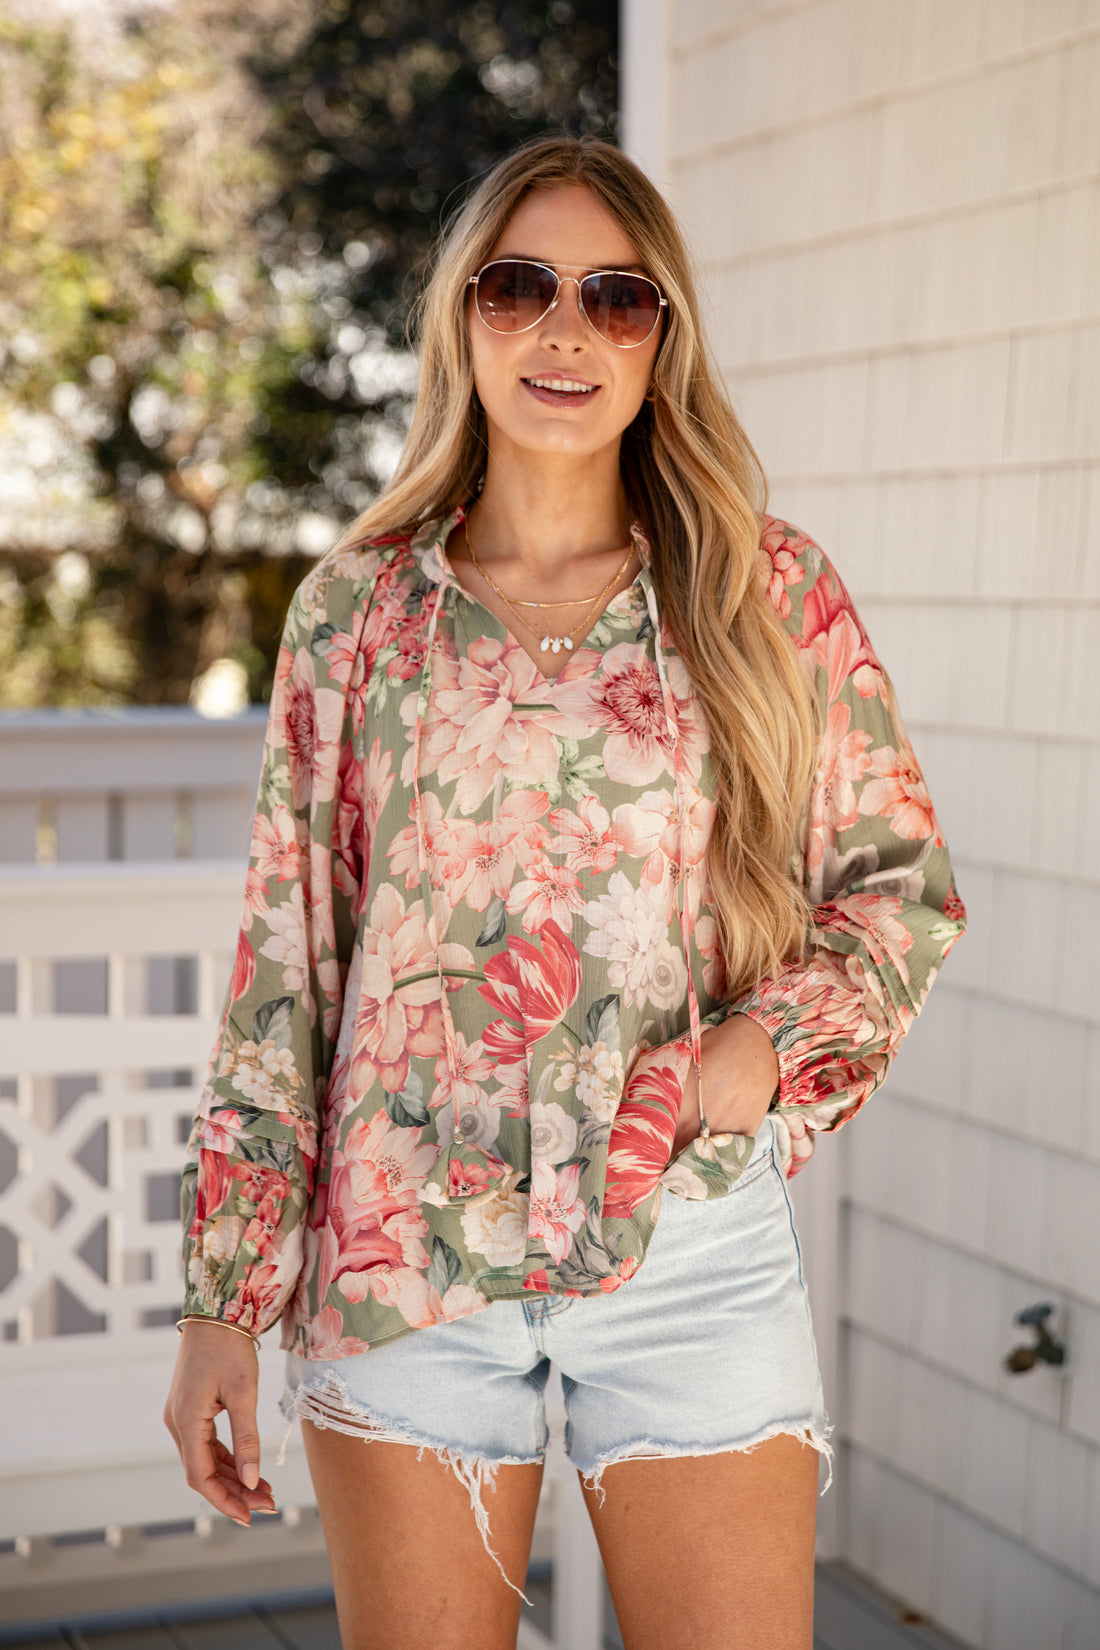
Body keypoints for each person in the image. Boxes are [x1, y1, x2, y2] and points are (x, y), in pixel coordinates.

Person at [164, 135, 966, 1650]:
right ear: (462, 315)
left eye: (619, 297)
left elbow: (899, 897)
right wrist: (220, 1294)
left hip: (686, 1251)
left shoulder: (766, 594)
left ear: (665, 338)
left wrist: (755, 1057)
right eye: (521, 284)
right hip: (401, 1261)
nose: (565, 330)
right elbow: (288, 974)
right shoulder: (358, 612)